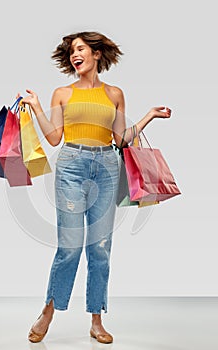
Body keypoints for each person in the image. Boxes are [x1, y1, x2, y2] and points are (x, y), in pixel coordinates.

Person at [18, 31, 171, 344]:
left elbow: (121, 139)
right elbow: (54, 139)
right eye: (72, 51)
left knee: (100, 248)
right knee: (70, 246)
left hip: (106, 169)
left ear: (96, 54)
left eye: (81, 49)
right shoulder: (62, 92)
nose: (75, 55)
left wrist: (149, 116)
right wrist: (35, 106)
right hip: (71, 166)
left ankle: (96, 320)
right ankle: (48, 310)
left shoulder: (114, 93)